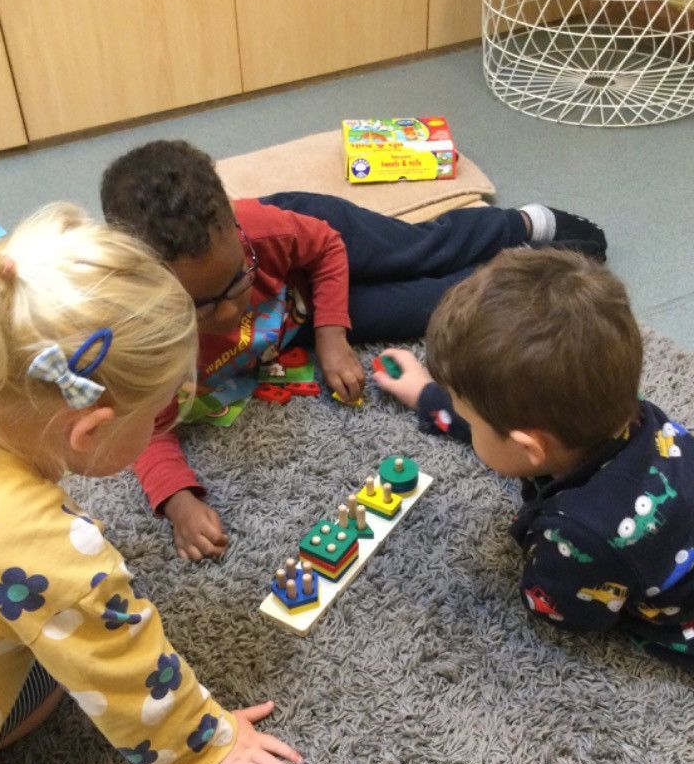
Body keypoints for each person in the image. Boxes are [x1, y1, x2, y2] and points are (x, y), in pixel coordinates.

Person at [0, 203, 302, 764]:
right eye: (156, 411)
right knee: (51, 679)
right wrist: (212, 738)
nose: (165, 421)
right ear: (91, 430)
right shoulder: (56, 556)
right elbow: (125, 671)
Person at [99, 138, 607, 561]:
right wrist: (178, 501)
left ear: (235, 229)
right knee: (441, 303)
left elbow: (325, 249)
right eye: (201, 306)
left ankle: (518, 225)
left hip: (321, 258)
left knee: (414, 250)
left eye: (239, 281)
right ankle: (532, 269)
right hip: (298, 318)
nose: (231, 311)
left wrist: (332, 336)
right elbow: (148, 426)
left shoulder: (266, 229)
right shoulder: (143, 338)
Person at [373, 246, 694, 662]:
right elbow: (500, 424)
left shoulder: (580, 534)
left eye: (464, 408)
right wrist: (426, 396)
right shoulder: (615, 406)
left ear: (530, 447)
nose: (464, 416)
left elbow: (566, 613)